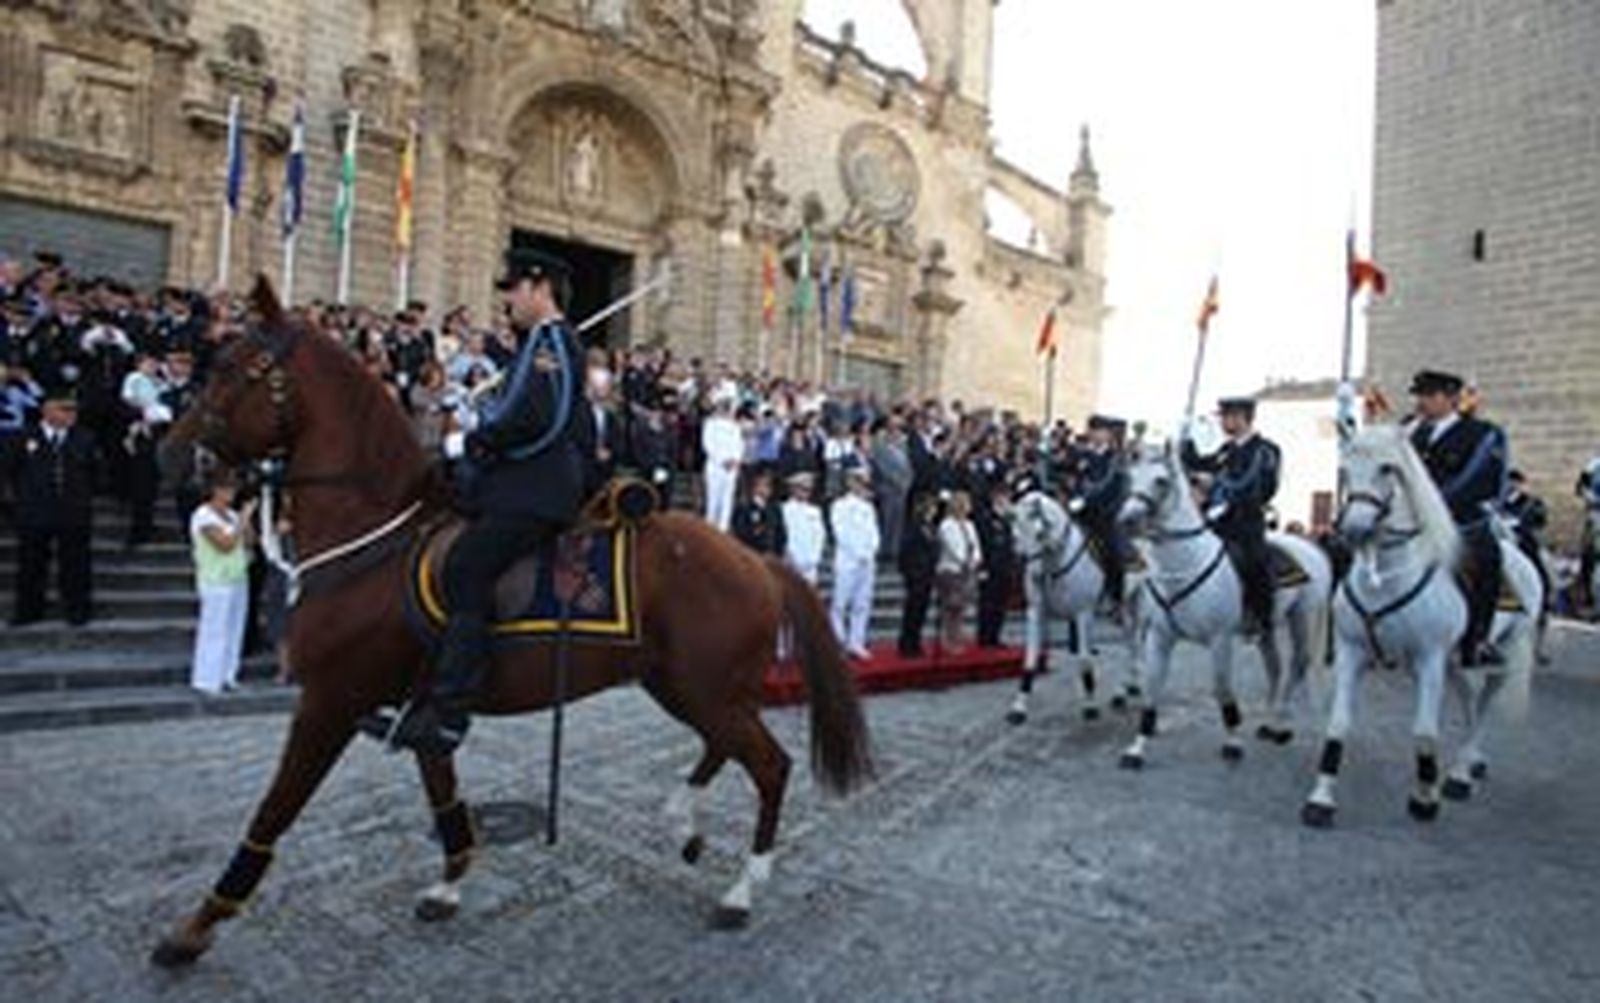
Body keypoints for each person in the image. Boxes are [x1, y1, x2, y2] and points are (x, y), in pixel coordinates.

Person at [390, 248, 586, 756]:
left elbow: (543, 417)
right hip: (516, 482)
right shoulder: (535, 343)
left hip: (534, 489)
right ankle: (420, 690)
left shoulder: (553, 342)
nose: (507, 302)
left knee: (465, 568)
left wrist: (479, 440)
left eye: (514, 290)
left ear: (539, 288)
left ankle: (451, 713)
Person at [1407, 369, 1509, 666]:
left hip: (1460, 519)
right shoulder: (1408, 432)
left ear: (1451, 399)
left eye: (1429, 396)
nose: (1421, 402)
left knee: (1487, 561)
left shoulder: (1483, 434)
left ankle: (1478, 639)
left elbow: (1482, 478)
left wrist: (1434, 505)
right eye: (1419, 396)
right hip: (1409, 520)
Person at [1180, 397, 1281, 636]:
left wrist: (1230, 503)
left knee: (1254, 560)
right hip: (1218, 522)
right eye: (1223, 417)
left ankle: (1260, 616)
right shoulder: (1227, 449)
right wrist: (1186, 444)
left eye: (1228, 417)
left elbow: (1265, 486)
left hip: (1246, 521)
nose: (1224, 422)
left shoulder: (1265, 450)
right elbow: (1202, 464)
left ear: (1243, 418)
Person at [6, 393, 97, 625]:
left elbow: (94, 470)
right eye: (63, 409)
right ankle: (28, 610)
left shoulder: (84, 437)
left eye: (73, 410)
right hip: (35, 509)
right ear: (47, 410)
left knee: (75, 563)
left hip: (73, 509)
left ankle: (77, 609)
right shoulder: (24, 436)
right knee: (31, 563)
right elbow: (11, 470)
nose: (70, 415)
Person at [189, 468, 256, 695]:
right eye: (227, 489)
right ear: (215, 491)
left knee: (234, 629)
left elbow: (249, 542)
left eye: (233, 489)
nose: (232, 493)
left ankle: (228, 676)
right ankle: (207, 679)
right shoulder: (203, 515)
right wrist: (242, 521)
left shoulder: (234, 515)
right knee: (214, 630)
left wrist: (246, 523)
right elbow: (224, 544)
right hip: (214, 580)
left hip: (237, 576)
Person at [1067, 415, 1130, 612]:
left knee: (1113, 552)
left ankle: (1116, 597)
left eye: (1100, 431)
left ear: (1108, 434)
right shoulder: (1083, 456)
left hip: (1105, 512)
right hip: (1081, 512)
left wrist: (1086, 499)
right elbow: (1076, 478)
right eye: (1092, 430)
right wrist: (1074, 496)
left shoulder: (1115, 458)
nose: (1095, 435)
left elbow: (1109, 486)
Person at [829, 467, 880, 660]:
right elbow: (840, 532)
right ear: (849, 482)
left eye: (863, 481)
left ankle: (856, 642)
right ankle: (838, 642)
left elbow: (874, 533)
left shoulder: (868, 507)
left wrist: (870, 551)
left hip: (867, 561)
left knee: (862, 603)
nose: (861, 485)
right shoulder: (839, 505)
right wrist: (857, 552)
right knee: (840, 603)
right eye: (857, 481)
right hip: (847, 559)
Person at [936, 490, 983, 652]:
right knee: (951, 606)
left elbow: (975, 544)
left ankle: (958, 636)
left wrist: (975, 560)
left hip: (967, 570)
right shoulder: (947, 525)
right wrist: (963, 560)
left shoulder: (970, 524)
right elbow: (952, 546)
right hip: (951, 569)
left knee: (961, 607)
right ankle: (948, 638)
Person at [898, 492, 942, 657]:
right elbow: (906, 551)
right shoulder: (914, 527)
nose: (934, 511)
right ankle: (907, 643)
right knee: (912, 609)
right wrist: (910, 571)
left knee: (921, 610)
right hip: (916, 573)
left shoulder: (931, 527)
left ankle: (916, 641)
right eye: (931, 507)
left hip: (928, 573)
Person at [974, 481, 1016, 648]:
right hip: (990, 568)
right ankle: (984, 637)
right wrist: (982, 567)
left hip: (1005, 567)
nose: (1008, 501)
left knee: (1000, 604)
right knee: (988, 604)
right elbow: (983, 544)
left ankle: (995, 636)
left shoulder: (1007, 521)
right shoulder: (986, 518)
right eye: (1004, 498)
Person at [701, 392, 742, 531]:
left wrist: (735, 460)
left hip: (731, 468)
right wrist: (722, 460)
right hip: (716, 466)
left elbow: (739, 445)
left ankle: (723, 528)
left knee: (727, 500)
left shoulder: (735, 427)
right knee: (713, 499)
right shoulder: (710, 424)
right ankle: (710, 526)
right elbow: (708, 445)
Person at [781, 472, 826, 585]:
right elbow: (784, 534)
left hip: (811, 562)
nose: (806, 492)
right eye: (802, 489)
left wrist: (815, 557)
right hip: (791, 561)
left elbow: (819, 535)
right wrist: (791, 557)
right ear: (793, 488)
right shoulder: (784, 510)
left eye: (808, 489)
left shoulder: (815, 511)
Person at [732, 469, 787, 556]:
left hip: (771, 555)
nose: (764, 489)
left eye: (768, 486)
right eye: (761, 485)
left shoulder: (774, 509)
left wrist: (778, 552)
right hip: (752, 554)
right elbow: (741, 531)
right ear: (754, 487)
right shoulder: (745, 507)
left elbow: (781, 533)